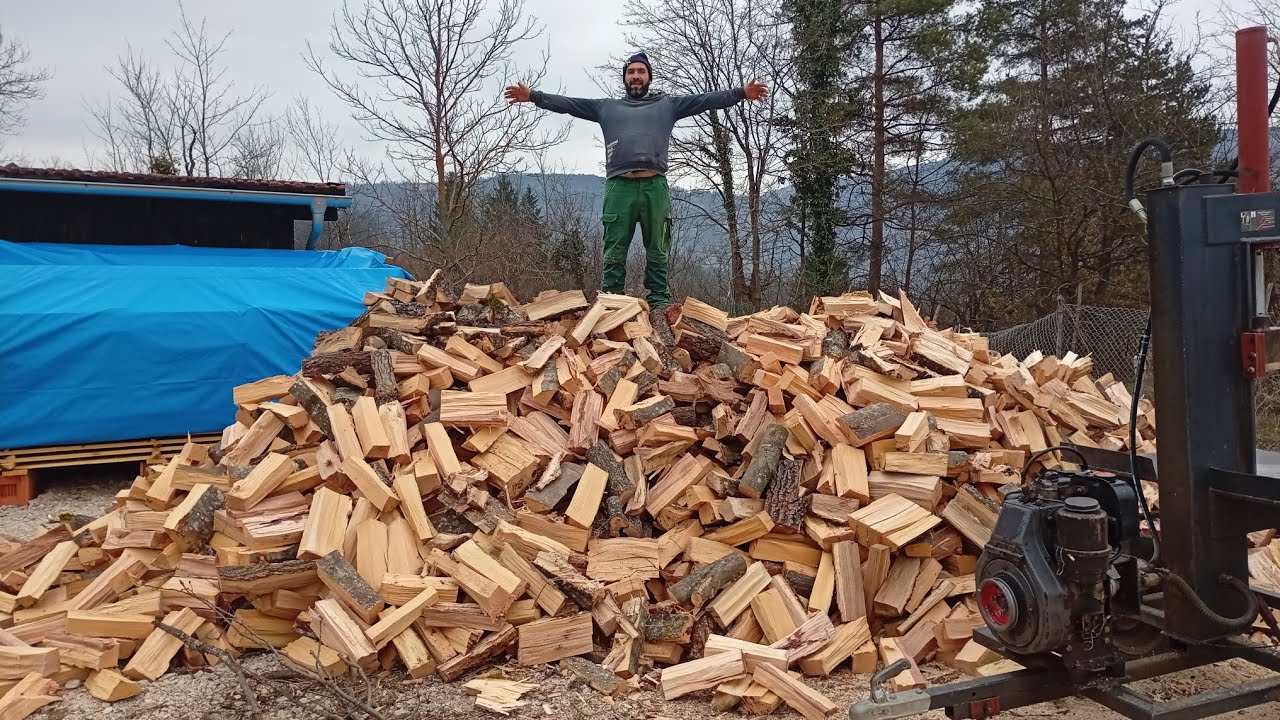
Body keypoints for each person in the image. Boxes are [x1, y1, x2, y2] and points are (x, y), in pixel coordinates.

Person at [505, 51, 768, 308]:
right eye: (631, 72)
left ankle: (659, 304)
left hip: (655, 186)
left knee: (658, 249)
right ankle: (611, 303)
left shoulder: (667, 105)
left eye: (641, 71)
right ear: (625, 78)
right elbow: (569, 105)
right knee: (614, 250)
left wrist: (741, 93)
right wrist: (533, 97)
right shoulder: (606, 108)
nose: (636, 76)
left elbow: (705, 100)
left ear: (649, 77)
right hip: (620, 187)